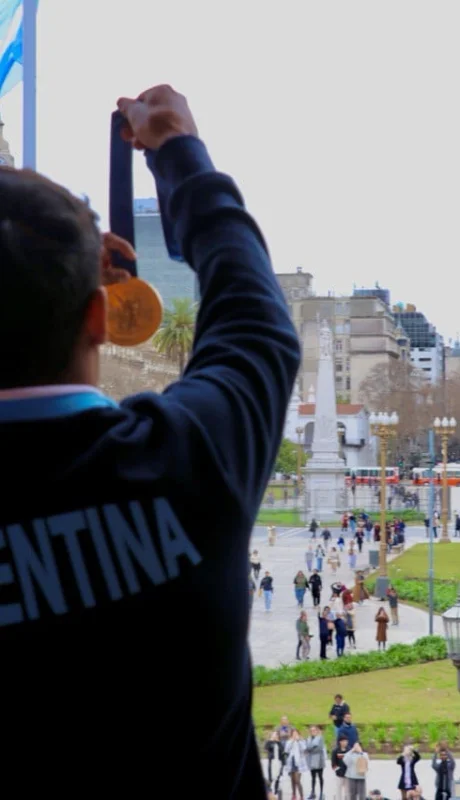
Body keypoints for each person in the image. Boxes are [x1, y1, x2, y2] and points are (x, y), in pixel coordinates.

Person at [0, 84, 300, 795]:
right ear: (103, 316)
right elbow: (256, 323)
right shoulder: (191, 458)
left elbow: (255, 327)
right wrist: (176, 152)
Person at [285, 729, 307, 800]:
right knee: (292, 780)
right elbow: (286, 750)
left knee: (297, 780)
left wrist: (298, 741)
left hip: (299, 763)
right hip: (291, 762)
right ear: (291, 735)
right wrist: (292, 741)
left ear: (298, 734)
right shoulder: (289, 741)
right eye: (293, 734)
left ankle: (301, 796)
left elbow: (304, 749)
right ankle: (294, 795)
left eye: (296, 733)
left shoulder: (301, 741)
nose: (295, 735)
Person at [305, 725, 326, 799]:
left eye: (314, 730)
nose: (312, 732)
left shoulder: (320, 738)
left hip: (319, 760)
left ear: (317, 731)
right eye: (311, 731)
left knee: (320, 777)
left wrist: (310, 749)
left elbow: (319, 748)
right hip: (311, 760)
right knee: (313, 777)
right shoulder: (308, 739)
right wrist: (312, 748)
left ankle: (321, 793)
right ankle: (313, 792)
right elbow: (306, 748)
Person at [332, 735, 350, 800]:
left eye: (346, 741)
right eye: (344, 741)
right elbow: (333, 764)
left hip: (347, 774)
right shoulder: (335, 751)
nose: (345, 742)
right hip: (339, 775)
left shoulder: (349, 750)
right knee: (338, 790)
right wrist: (338, 771)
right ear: (340, 742)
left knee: (347, 791)